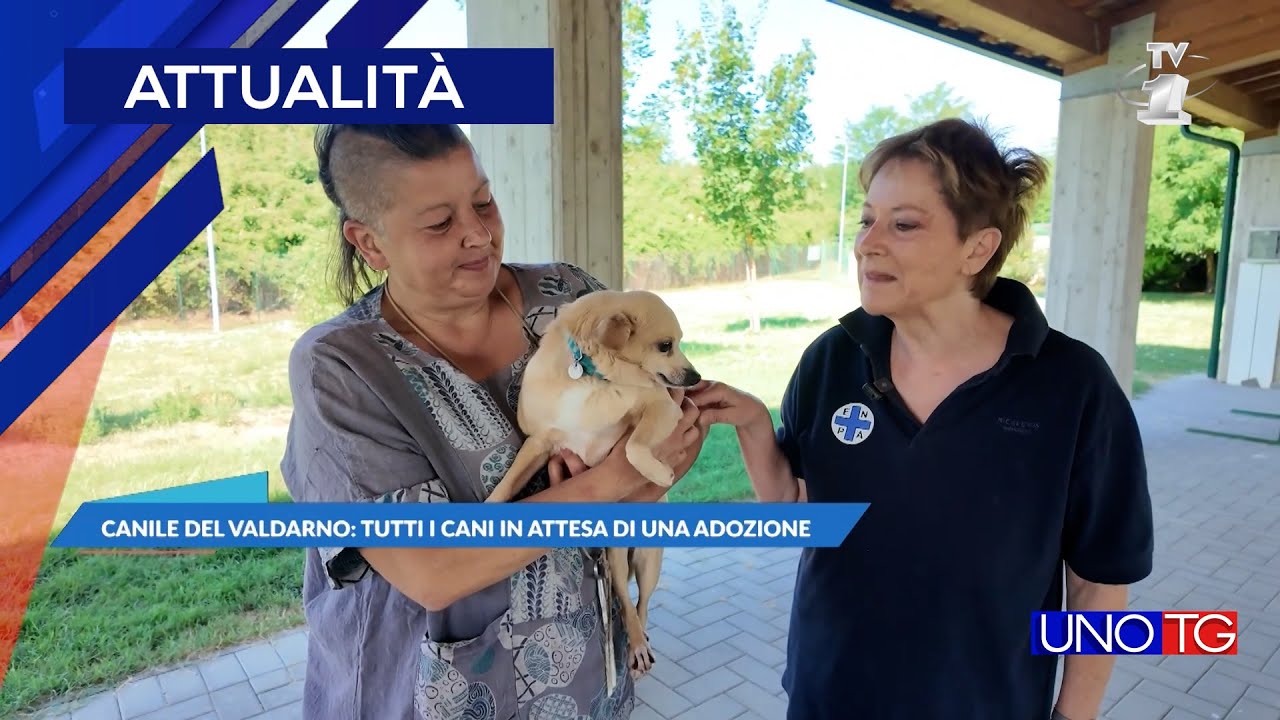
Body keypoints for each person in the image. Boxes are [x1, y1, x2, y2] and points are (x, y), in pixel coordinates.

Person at [689, 118, 1154, 720]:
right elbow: (796, 514)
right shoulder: (833, 359)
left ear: (977, 248)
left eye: (903, 224)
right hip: (829, 696)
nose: (867, 243)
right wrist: (755, 426)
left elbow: (1098, 582)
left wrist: (1075, 716)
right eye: (866, 220)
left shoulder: (1073, 385)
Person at [281, 124, 705, 720]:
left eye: (483, 202)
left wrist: (655, 462)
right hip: (427, 693)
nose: (479, 234)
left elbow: (675, 421)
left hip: (586, 685)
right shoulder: (344, 366)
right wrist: (606, 487)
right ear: (369, 243)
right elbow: (431, 566)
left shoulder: (570, 300)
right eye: (439, 224)